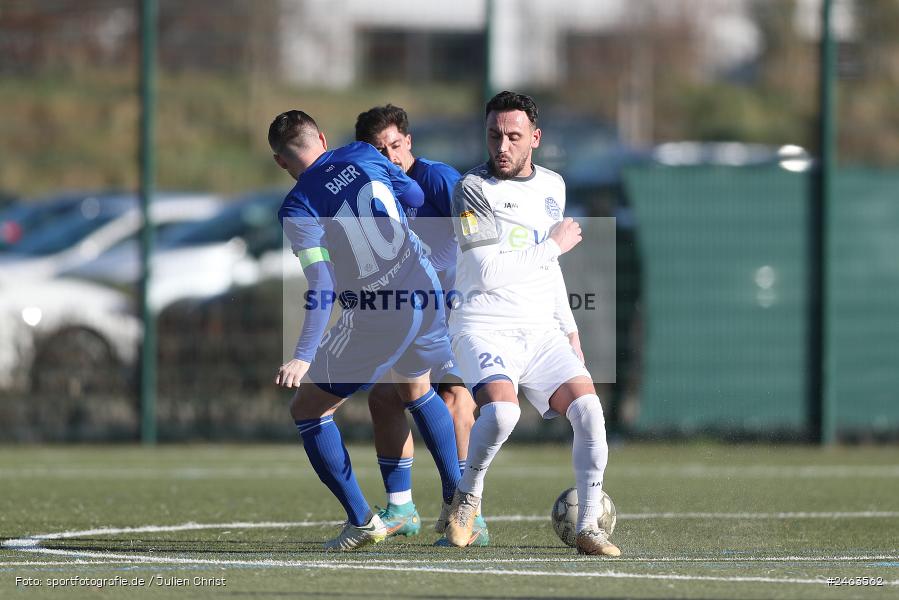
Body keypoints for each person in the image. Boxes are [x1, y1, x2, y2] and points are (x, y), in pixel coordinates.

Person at [268, 109, 462, 551]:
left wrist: (303, 353)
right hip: (426, 291)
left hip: (381, 311)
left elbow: (321, 283)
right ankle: (459, 503)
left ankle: (361, 520)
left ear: (281, 162)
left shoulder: (298, 206)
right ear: (321, 135)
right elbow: (412, 194)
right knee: (415, 388)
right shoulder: (361, 152)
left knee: (308, 409)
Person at [442, 91, 621, 556]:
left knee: (590, 412)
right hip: (481, 324)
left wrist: (570, 328)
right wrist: (555, 245)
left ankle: (588, 527)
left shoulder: (553, 186)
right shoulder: (471, 189)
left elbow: (547, 268)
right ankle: (468, 497)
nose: (501, 145)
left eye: (513, 136)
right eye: (494, 135)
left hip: (540, 329)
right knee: (502, 413)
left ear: (535, 139)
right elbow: (486, 272)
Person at [354, 104, 488, 546]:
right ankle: (401, 508)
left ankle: (471, 514)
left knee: (454, 402)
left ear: (408, 142)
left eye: (395, 144)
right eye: (379, 149)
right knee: (384, 401)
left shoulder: (437, 179)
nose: (390, 155)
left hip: (455, 311)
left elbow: (482, 237)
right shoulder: (374, 191)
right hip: (411, 314)